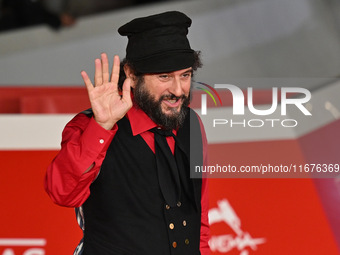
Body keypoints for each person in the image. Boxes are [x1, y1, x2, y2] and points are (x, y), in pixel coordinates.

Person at [44, 11, 210, 255]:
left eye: (185, 75)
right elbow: (62, 193)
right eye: (164, 76)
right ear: (132, 74)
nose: (178, 90)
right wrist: (102, 127)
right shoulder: (89, 125)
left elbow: (200, 219)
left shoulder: (192, 124)